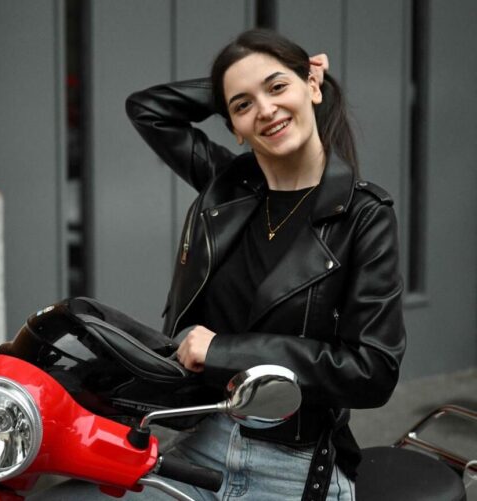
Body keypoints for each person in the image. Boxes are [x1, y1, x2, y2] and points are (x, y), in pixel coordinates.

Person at [31, 28, 405, 501]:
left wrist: (223, 351)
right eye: (243, 106)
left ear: (313, 87)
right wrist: (236, 84)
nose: (266, 110)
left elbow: (372, 371)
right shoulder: (227, 186)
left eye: (278, 87)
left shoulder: (364, 216)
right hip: (202, 444)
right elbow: (148, 109)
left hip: (292, 468)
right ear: (233, 127)